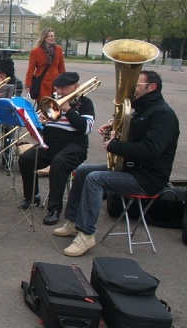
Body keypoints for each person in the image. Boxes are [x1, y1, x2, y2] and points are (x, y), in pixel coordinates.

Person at [53, 70, 179, 257]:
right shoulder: (142, 109)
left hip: (147, 177)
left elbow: (150, 150)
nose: (131, 88)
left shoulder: (163, 114)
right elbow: (134, 134)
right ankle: (73, 221)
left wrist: (115, 145)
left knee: (96, 179)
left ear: (151, 87)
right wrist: (114, 128)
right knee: (81, 172)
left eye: (137, 85)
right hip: (131, 169)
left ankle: (87, 234)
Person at [18, 72, 94, 226]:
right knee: (26, 159)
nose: (59, 92)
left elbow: (85, 128)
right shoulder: (53, 102)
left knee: (59, 163)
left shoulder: (85, 103)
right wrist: (40, 124)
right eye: (58, 88)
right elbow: (44, 132)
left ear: (76, 86)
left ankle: (54, 209)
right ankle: (32, 196)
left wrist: (69, 110)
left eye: (64, 88)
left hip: (75, 146)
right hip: (52, 145)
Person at [25, 28, 65, 102]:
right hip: (42, 83)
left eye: (53, 36)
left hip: (56, 82)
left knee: (56, 106)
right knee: (43, 105)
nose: (53, 38)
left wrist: (64, 82)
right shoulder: (36, 51)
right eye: (50, 36)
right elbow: (31, 69)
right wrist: (28, 85)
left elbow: (61, 68)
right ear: (44, 37)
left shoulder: (58, 49)